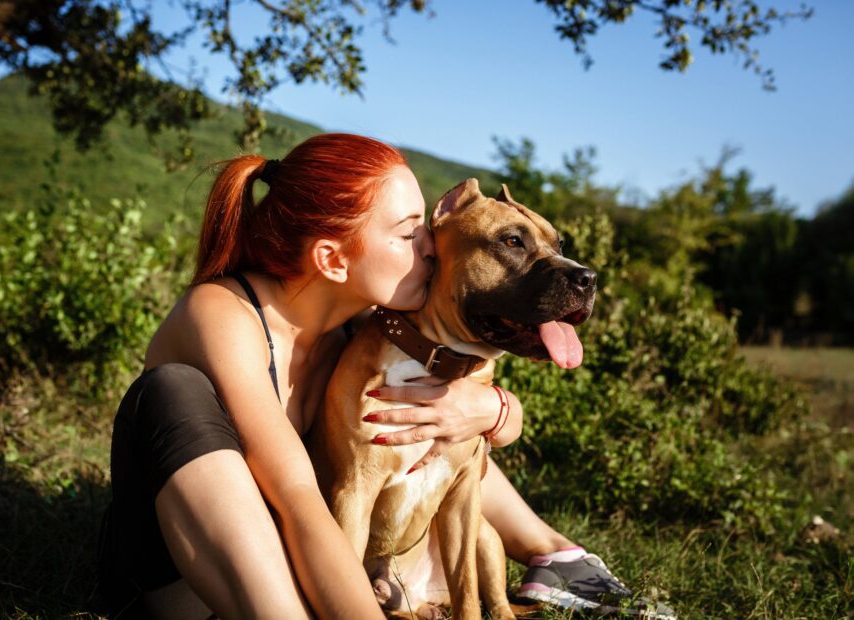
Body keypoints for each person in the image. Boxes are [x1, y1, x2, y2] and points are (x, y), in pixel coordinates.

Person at [95, 133, 662, 619]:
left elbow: (440, 440)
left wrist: (492, 411)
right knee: (173, 391)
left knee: (413, 418)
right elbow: (297, 499)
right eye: (410, 233)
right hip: (193, 582)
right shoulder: (223, 314)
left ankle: (556, 557)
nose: (434, 245)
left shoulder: (365, 330)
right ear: (333, 260)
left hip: (303, 564)